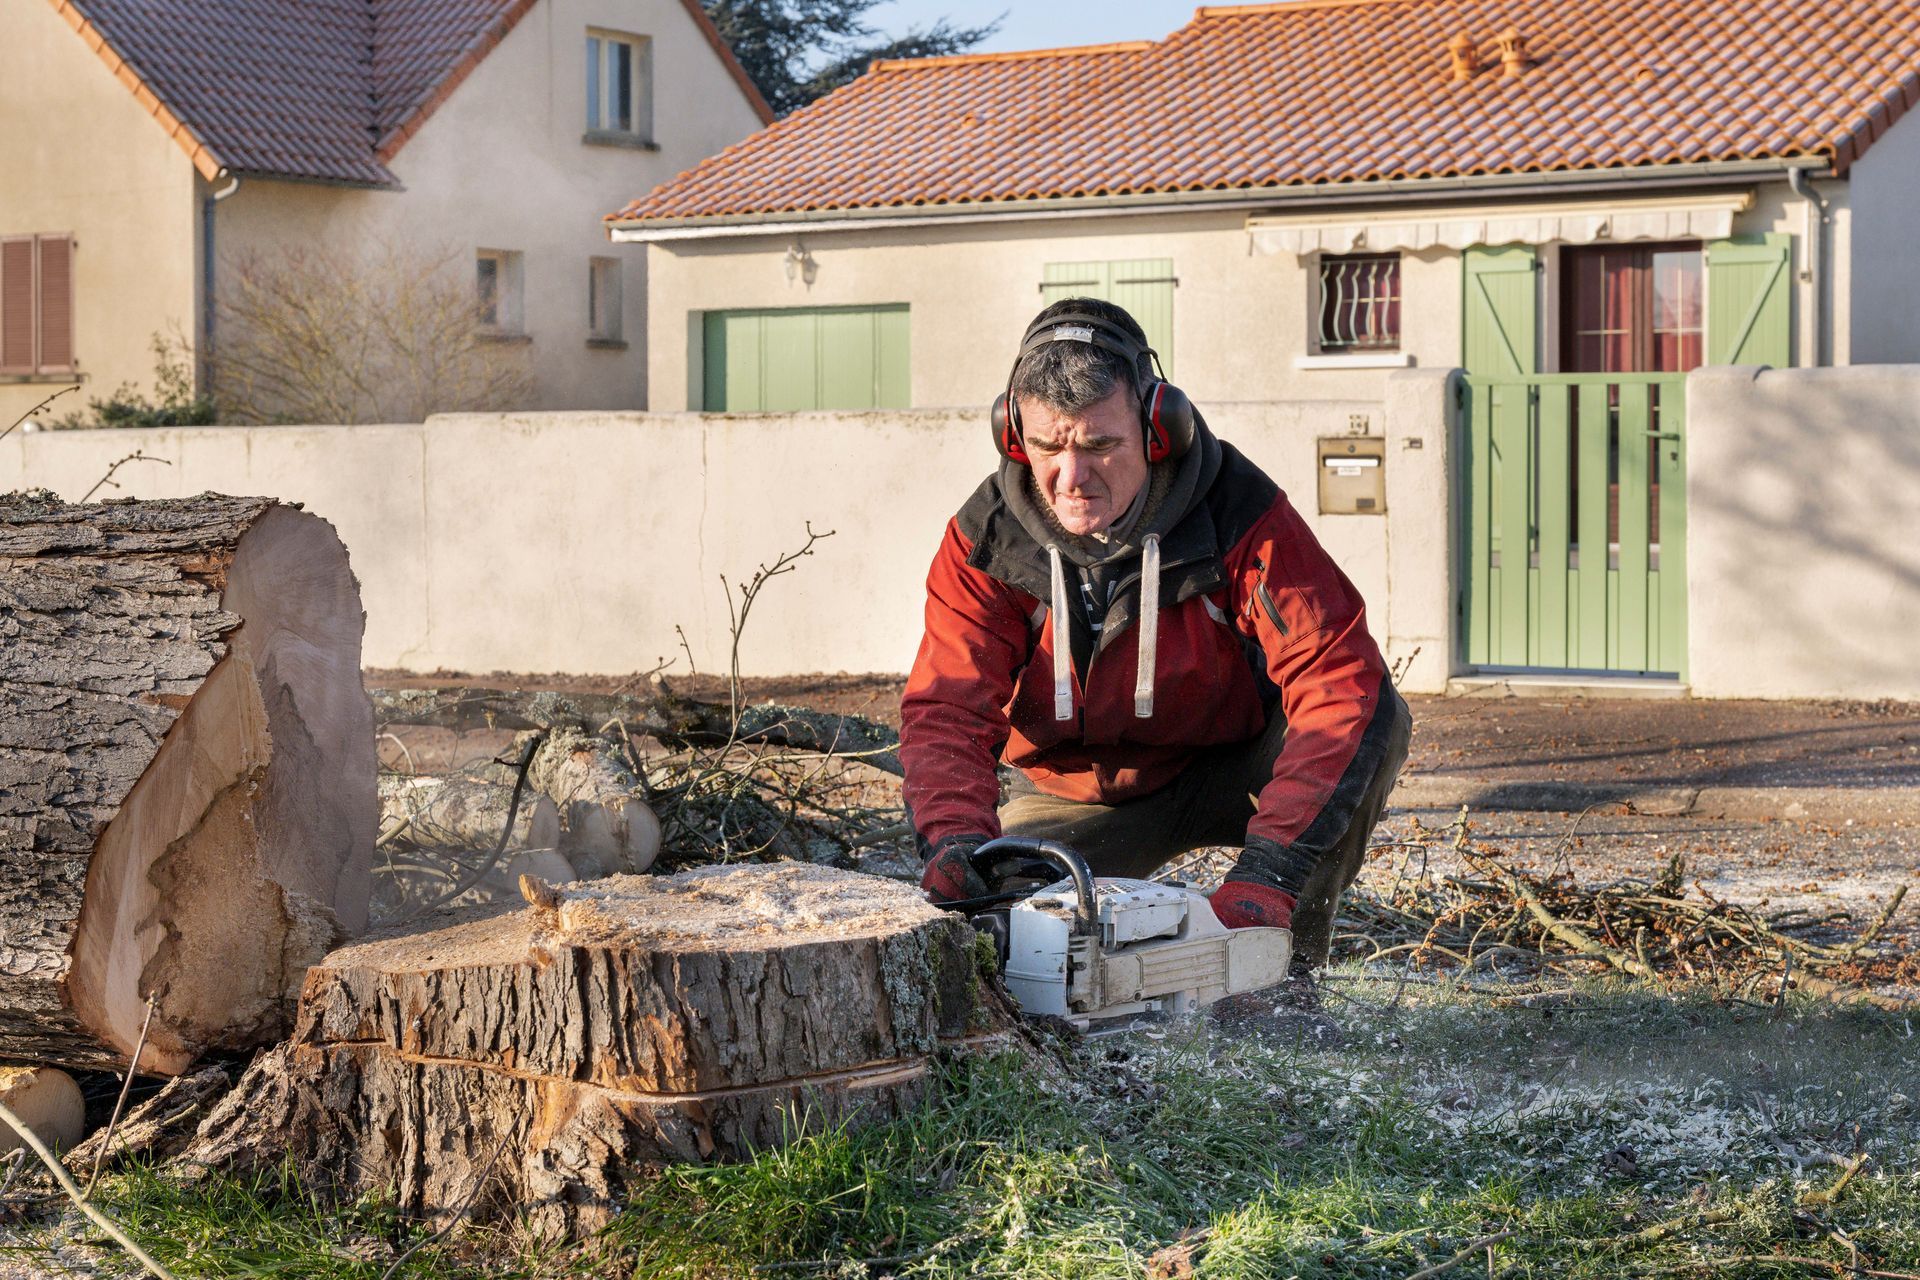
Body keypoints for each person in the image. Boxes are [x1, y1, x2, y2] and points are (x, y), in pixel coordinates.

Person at [898, 297, 1411, 969]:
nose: (1070, 477)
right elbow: (946, 708)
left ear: (1156, 429)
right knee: (1014, 935)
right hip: (1072, 791)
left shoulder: (1242, 516)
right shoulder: (985, 543)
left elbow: (1341, 684)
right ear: (1013, 433)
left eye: (1100, 445)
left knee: (1383, 718)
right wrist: (957, 842)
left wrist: (1270, 877)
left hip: (1236, 766)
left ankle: (1281, 978)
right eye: (1048, 446)